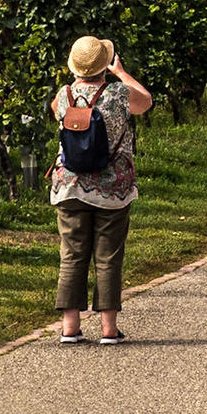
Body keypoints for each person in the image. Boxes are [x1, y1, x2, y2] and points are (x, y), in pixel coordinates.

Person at [49, 35, 151, 344]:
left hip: (69, 185)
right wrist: (120, 72)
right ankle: (108, 329)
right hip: (112, 188)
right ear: (103, 65)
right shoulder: (119, 93)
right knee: (108, 256)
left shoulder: (63, 95)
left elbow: (58, 113)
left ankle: (70, 327)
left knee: (72, 254)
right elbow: (144, 101)